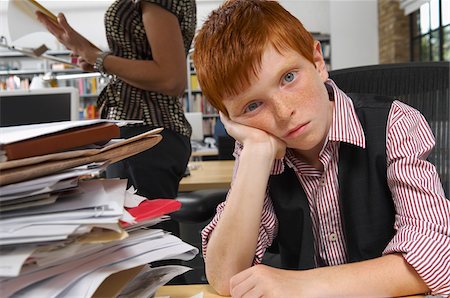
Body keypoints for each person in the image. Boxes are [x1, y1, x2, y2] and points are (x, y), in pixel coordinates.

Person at [192, 0, 450, 297]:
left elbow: (438, 257)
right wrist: (256, 151)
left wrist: (302, 284)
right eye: (252, 105)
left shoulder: (394, 123)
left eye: (288, 77)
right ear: (233, 118)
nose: (283, 112)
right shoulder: (257, 148)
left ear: (317, 62)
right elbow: (226, 278)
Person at [36, 0, 196, 202]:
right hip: (146, 133)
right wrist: (99, 58)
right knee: (146, 227)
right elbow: (146, 58)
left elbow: (170, 79)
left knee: (143, 229)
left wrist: (95, 56)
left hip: (143, 134)